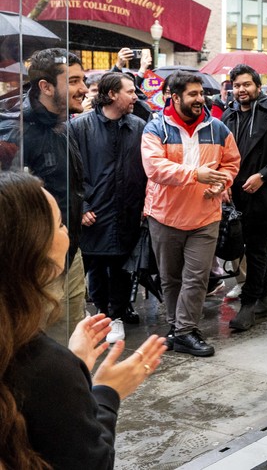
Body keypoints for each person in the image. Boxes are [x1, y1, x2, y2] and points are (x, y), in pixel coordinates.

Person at [0, 170, 166, 470]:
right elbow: (90, 462)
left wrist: (73, 366)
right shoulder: (41, 366)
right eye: (62, 224)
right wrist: (104, 392)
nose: (67, 231)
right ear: (33, 249)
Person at [141, 71, 240, 357]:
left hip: (205, 217)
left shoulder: (218, 128)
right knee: (170, 278)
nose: (201, 99)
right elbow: (155, 168)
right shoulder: (155, 128)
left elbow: (231, 163)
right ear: (175, 97)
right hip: (164, 216)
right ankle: (177, 329)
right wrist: (197, 175)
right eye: (193, 94)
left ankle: (184, 331)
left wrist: (222, 181)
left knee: (196, 277)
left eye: (201, 93)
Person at [0, 48, 88, 344]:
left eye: (83, 80)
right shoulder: (18, 132)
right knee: (38, 348)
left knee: (72, 342)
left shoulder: (64, 126)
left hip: (71, 253)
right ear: (46, 87)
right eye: (74, 81)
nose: (84, 89)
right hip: (36, 263)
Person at [71, 72, 148, 344]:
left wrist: (144, 204)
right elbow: (71, 172)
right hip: (95, 213)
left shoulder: (139, 125)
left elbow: (147, 170)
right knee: (95, 269)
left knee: (122, 268)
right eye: (129, 91)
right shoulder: (79, 127)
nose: (135, 95)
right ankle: (102, 315)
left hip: (128, 211)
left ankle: (116, 315)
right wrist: (83, 206)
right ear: (112, 94)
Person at [222, 63, 267, 331]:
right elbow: (221, 155)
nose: (241, 90)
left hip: (264, 194)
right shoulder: (228, 117)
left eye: (247, 84)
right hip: (236, 196)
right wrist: (223, 183)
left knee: (257, 248)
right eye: (237, 85)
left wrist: (263, 175)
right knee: (249, 248)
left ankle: (249, 305)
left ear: (258, 87)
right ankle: (266, 300)